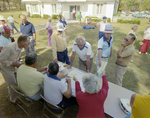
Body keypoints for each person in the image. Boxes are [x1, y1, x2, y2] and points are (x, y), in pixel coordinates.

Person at [0, 35, 30, 103]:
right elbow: (1, 59)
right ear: (22, 42)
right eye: (28, 43)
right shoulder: (9, 48)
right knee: (12, 84)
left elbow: (15, 57)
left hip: (14, 67)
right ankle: (14, 100)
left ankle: (17, 95)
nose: (29, 44)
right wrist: (13, 63)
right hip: (6, 68)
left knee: (18, 81)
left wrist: (17, 63)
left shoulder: (21, 46)